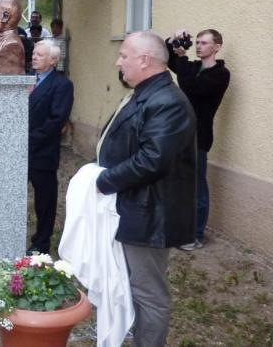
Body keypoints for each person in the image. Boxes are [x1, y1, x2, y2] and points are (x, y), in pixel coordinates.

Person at [95, 31, 196, 346]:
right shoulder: (146, 93)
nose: (118, 62)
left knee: (148, 292)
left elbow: (153, 160)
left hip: (151, 213)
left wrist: (103, 181)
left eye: (123, 56)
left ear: (144, 60)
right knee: (131, 284)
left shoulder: (168, 102)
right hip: (134, 206)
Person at [166, 29, 230, 251]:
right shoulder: (192, 67)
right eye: (198, 42)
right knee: (179, 183)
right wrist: (173, 40)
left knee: (197, 187)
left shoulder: (220, 74)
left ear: (217, 47)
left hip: (199, 136)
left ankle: (196, 235)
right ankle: (180, 229)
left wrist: (182, 57)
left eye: (204, 43)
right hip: (179, 132)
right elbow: (168, 57)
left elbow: (190, 86)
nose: (199, 46)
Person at [26, 40, 74, 254]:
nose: (34, 57)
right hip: (19, 150)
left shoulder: (62, 85)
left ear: (53, 60)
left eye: (40, 55)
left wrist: (29, 139)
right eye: (34, 53)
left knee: (44, 201)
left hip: (42, 151)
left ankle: (41, 242)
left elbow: (56, 120)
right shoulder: (27, 78)